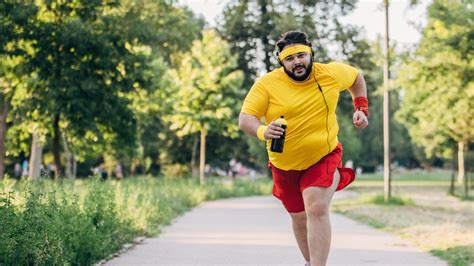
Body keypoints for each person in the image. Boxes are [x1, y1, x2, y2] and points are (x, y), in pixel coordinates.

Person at [238, 31, 369, 266]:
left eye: (301, 55)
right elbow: (246, 118)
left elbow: (356, 77)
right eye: (290, 58)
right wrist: (262, 131)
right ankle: (311, 262)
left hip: (324, 154)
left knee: (316, 205)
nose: (297, 62)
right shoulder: (267, 84)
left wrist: (361, 107)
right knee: (299, 218)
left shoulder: (329, 73)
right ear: (281, 62)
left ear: (310, 54)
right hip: (284, 164)